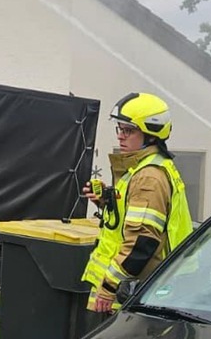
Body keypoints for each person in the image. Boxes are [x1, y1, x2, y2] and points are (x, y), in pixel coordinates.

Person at [80, 92, 194, 318]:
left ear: (151, 134)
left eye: (129, 130)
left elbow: (142, 241)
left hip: (136, 290)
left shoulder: (148, 177)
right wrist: (107, 201)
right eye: (120, 129)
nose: (121, 136)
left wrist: (109, 287)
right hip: (149, 286)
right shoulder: (146, 169)